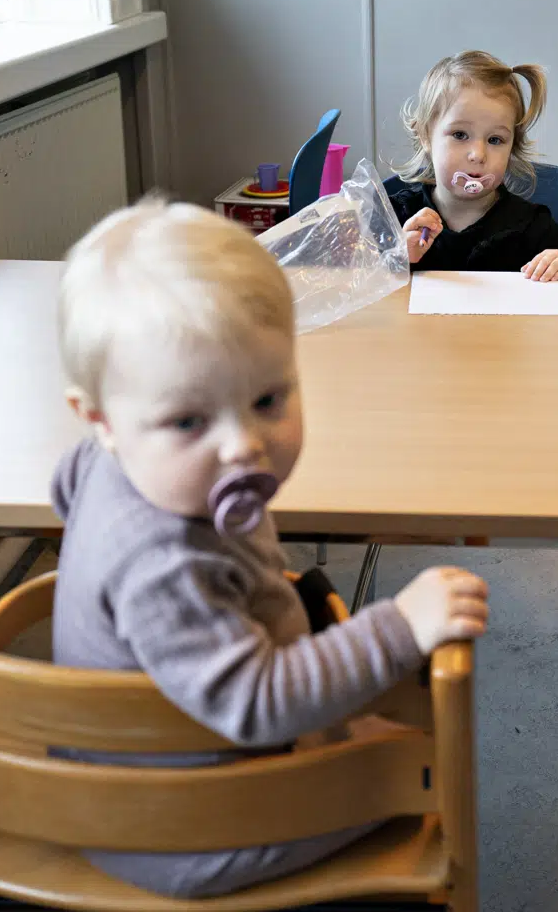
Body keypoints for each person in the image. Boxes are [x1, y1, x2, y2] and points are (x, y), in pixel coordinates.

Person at [50, 201, 490, 898]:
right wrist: (398, 625)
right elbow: (258, 700)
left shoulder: (105, 460)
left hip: (140, 767)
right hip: (187, 828)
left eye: (267, 399)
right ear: (100, 419)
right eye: (189, 420)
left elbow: (67, 493)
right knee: (419, 762)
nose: (242, 445)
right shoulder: (166, 568)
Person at [389, 49, 558, 280]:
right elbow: (355, 277)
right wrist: (395, 258)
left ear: (512, 148)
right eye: (460, 135)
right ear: (426, 136)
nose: (478, 155)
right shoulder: (397, 215)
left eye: (495, 140)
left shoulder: (526, 223)